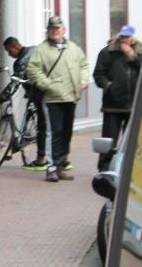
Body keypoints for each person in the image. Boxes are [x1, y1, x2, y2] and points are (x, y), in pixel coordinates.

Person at [27, 16, 89, 182]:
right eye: (52, 29)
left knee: (66, 132)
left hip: (71, 96)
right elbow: (33, 70)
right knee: (53, 132)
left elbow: (84, 65)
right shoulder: (41, 50)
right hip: (52, 98)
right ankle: (51, 167)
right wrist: (47, 84)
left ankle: (61, 164)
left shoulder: (73, 48)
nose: (55, 32)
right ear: (48, 31)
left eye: (58, 29)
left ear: (64, 30)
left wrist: (83, 80)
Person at [0, 37, 49, 170]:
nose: (9, 54)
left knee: (42, 128)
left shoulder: (22, 60)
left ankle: (42, 159)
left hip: (40, 93)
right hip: (39, 91)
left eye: (8, 51)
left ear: (13, 47)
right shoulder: (34, 49)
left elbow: (14, 83)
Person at [92, 25, 142, 172]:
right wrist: (109, 86)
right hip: (112, 105)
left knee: (131, 141)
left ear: (133, 37)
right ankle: (104, 168)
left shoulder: (140, 52)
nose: (124, 40)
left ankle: (128, 169)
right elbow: (98, 75)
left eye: (128, 37)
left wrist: (132, 57)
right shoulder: (107, 52)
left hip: (133, 104)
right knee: (109, 140)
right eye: (122, 36)